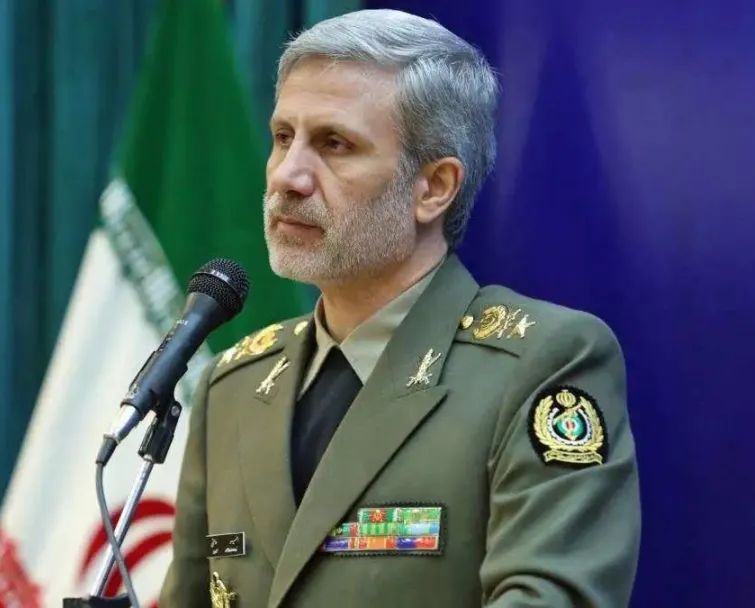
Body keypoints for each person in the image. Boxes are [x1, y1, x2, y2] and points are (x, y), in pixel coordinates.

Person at [161, 9, 640, 608]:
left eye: (334, 144)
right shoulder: (232, 386)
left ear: (434, 187)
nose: (288, 176)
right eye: (283, 138)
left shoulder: (541, 364)